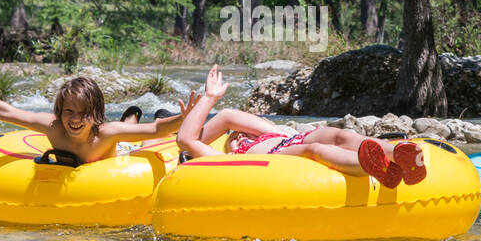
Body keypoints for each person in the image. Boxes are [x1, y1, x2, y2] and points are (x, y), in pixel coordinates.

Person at [177, 65, 426, 188]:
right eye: (233, 137)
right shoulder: (227, 158)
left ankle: (399, 154)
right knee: (314, 150)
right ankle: (371, 166)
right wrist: (208, 98)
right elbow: (187, 140)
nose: (236, 136)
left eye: (238, 134)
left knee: (339, 134)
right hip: (275, 157)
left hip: (291, 138)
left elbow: (228, 117)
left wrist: (230, 128)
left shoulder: (263, 130)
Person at [0, 63, 196, 164]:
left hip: (119, 154)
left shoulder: (106, 132)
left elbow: (156, 130)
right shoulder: (53, 127)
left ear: (95, 115)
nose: (74, 119)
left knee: (144, 142)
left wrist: (183, 118)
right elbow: (6, 111)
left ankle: (137, 115)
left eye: (83, 113)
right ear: (59, 111)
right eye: (69, 111)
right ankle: (131, 115)